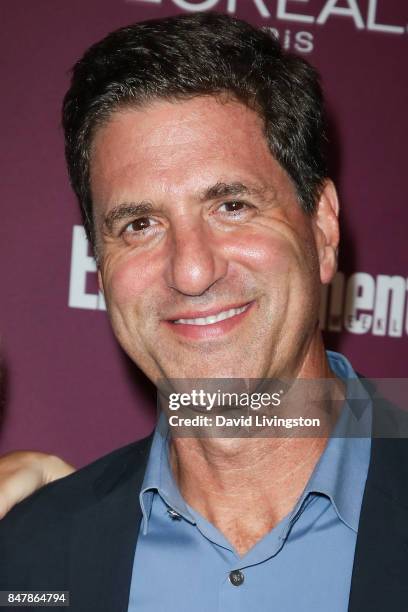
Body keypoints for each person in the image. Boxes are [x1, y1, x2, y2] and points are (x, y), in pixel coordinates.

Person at [1, 11, 407, 612]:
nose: (191, 270)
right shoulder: (29, 556)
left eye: (233, 205)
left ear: (322, 229)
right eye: (140, 225)